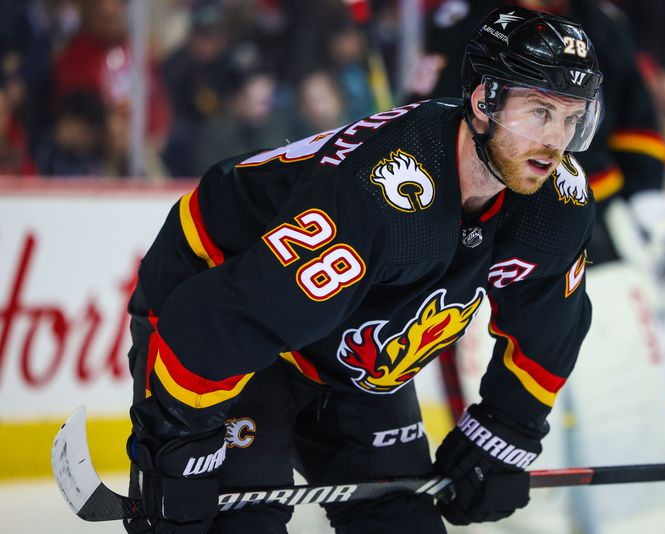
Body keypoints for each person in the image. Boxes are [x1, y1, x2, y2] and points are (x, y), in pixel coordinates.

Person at [123, 7, 601, 533]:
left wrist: (505, 430)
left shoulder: (557, 202)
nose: (556, 142)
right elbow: (219, 320)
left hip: (352, 341)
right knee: (239, 522)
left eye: (571, 118)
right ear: (484, 102)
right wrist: (177, 442)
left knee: (403, 524)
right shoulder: (386, 195)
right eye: (539, 112)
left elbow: (547, 326)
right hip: (227, 298)